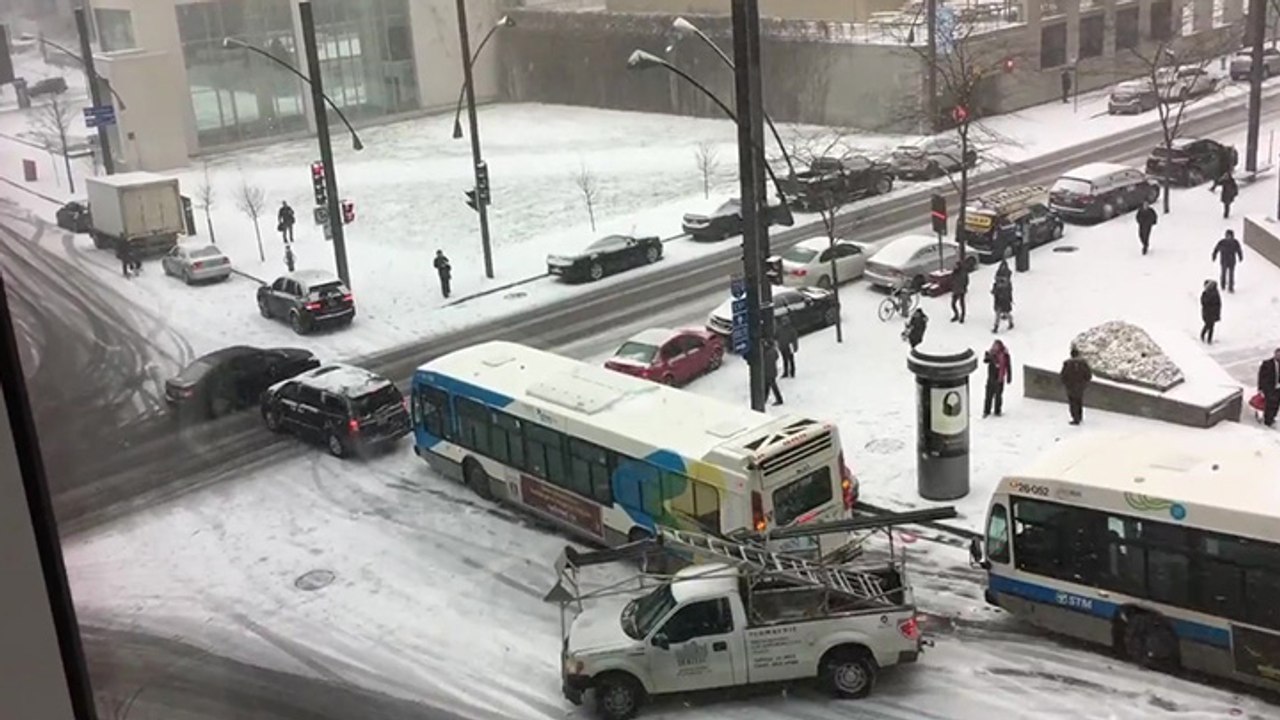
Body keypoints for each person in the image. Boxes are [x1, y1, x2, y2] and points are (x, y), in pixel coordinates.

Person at [1059, 346, 1093, 425]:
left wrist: (1066, 384)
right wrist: (1084, 383)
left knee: (1073, 402)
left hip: (1071, 387)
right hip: (1080, 387)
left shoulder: (1067, 363)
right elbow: (1088, 375)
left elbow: (1063, 375)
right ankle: (1080, 416)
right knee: (1079, 401)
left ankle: (1075, 418)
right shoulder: (1083, 363)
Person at [983, 339, 1012, 418]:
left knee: (998, 396)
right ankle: (986, 411)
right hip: (991, 378)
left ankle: (997, 411)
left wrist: (1009, 377)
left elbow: (1008, 366)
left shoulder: (1005, 355)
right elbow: (985, 361)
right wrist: (987, 356)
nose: (994, 347)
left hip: (1000, 379)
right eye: (994, 345)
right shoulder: (991, 354)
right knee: (989, 395)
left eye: (996, 346)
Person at [1258, 348, 1280, 427]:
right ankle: (1267, 420)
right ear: (1275, 354)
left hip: (1278, 389)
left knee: (1276, 404)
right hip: (1269, 388)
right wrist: (1260, 388)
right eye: (1278, 354)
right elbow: (1261, 376)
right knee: (1269, 404)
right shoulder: (1267, 363)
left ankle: (1272, 417)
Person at [1199, 279, 1221, 344]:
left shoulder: (1206, 293)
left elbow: (1204, 302)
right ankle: (1207, 338)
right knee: (1210, 326)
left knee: (1209, 326)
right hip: (1210, 313)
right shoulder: (1213, 293)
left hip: (1209, 312)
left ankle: (1206, 337)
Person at [763, 340, 783, 406]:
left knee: (772, 386)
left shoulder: (766, 353)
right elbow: (776, 357)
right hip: (773, 371)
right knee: (768, 385)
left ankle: (779, 399)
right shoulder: (773, 351)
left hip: (768, 372)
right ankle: (764, 399)